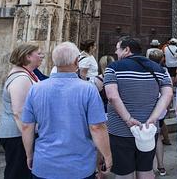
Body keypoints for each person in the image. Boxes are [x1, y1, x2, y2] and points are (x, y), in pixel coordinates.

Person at [21, 42, 111, 178]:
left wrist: (29, 155)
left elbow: (27, 125)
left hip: (45, 163)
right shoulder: (88, 89)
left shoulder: (36, 89)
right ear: (76, 61)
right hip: (79, 166)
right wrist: (107, 155)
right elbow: (97, 127)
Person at [104, 36, 173, 178]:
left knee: (125, 172)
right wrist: (153, 119)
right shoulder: (159, 69)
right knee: (146, 169)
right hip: (148, 130)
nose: (116, 52)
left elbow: (112, 96)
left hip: (120, 131)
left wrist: (128, 119)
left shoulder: (113, 68)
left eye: (117, 49)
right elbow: (167, 95)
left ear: (126, 50)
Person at [0, 43, 43, 178]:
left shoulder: (27, 74)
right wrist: (29, 138)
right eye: (38, 53)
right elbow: (19, 112)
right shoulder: (21, 78)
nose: (42, 56)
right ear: (28, 56)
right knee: (18, 172)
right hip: (17, 134)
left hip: (19, 134)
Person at [147, 48, 171, 175]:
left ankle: (147, 167)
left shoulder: (143, 71)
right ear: (162, 59)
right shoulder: (164, 71)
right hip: (159, 106)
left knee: (145, 137)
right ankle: (161, 166)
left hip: (146, 106)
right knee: (157, 137)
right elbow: (168, 90)